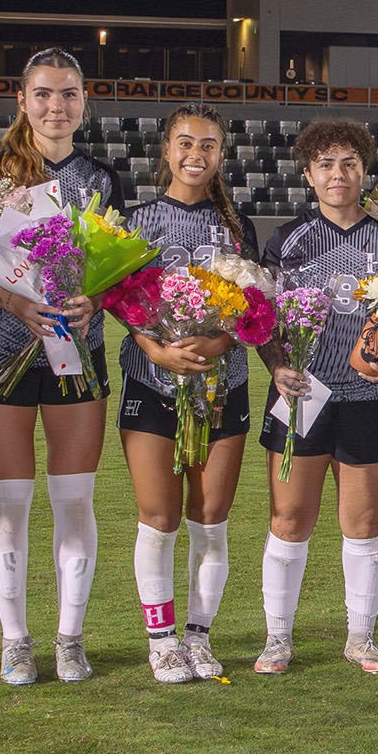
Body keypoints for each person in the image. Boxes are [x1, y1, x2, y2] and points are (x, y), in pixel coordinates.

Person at [0, 48, 122, 685]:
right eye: (44, 94)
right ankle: (15, 639)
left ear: (85, 102)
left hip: (79, 353)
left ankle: (70, 638)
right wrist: (16, 304)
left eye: (69, 94)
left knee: (74, 498)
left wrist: (94, 299)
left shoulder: (102, 178)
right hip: (4, 352)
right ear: (21, 101)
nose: (57, 106)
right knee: (10, 500)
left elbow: (118, 268)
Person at [253, 119, 378, 675]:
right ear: (308, 174)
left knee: (363, 524)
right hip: (305, 394)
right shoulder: (288, 239)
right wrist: (277, 367)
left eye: (349, 163)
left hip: (370, 396)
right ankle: (277, 639)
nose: (338, 174)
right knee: (288, 520)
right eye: (325, 165)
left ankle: (361, 638)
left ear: (365, 170)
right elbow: (261, 318)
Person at [116, 103, 259, 684]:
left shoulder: (237, 227)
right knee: (158, 516)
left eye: (208, 145)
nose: (195, 154)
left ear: (221, 155)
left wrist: (220, 342)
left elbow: (255, 306)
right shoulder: (139, 221)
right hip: (151, 382)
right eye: (185, 143)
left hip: (224, 386)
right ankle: (162, 641)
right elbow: (119, 298)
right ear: (166, 151)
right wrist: (157, 351)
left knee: (211, 517)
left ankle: (198, 637)